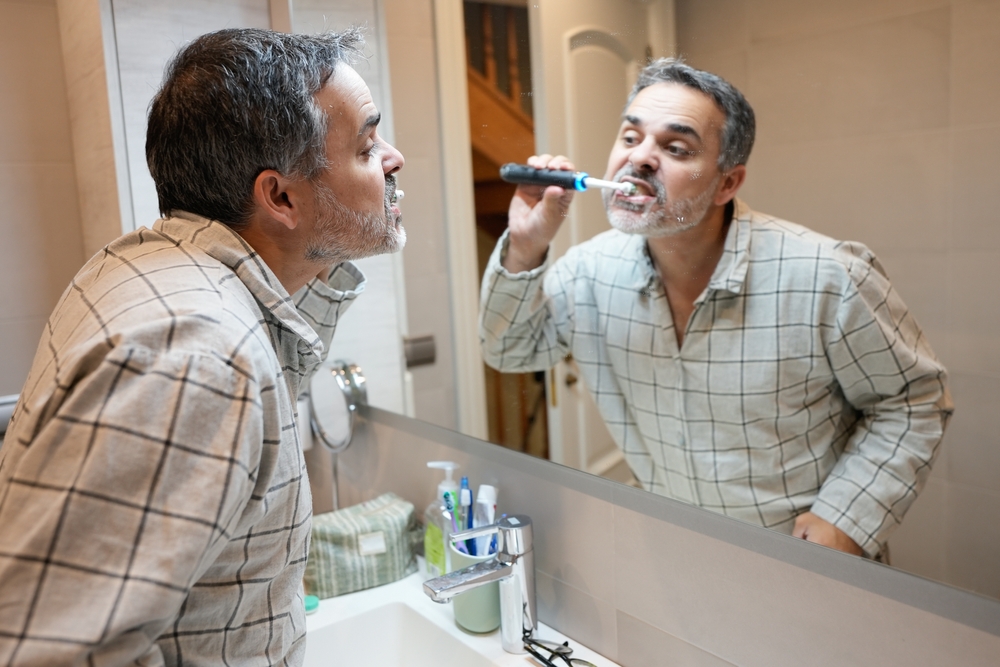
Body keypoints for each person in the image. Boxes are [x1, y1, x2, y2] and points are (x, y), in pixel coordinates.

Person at [0, 27, 404, 665]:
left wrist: (322, 258)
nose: (393, 158)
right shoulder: (201, 354)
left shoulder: (152, 265)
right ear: (278, 197)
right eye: (366, 144)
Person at [480, 58, 952, 559]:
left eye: (675, 147)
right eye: (629, 137)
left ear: (728, 183)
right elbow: (508, 351)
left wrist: (846, 518)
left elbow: (914, 400)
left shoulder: (827, 275)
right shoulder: (587, 273)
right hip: (672, 554)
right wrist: (526, 246)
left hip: (807, 559)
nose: (640, 159)